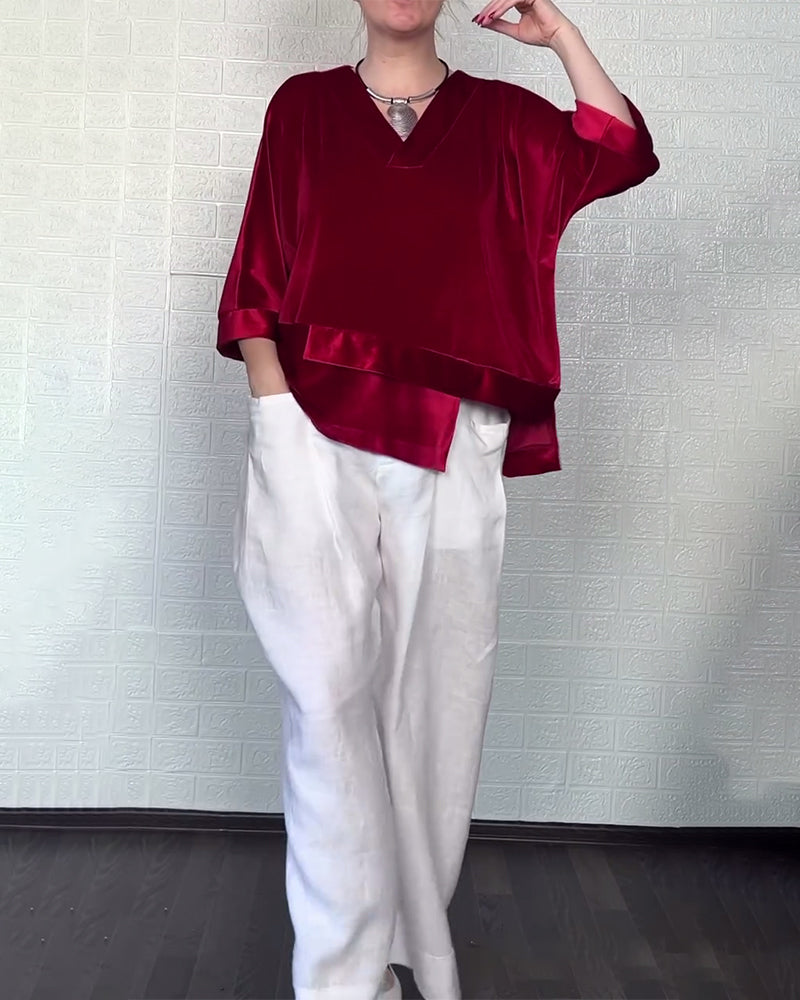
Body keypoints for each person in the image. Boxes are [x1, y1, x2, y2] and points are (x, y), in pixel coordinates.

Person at [216, 1, 660, 997]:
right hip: (313, 430)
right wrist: (276, 416)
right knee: (326, 698)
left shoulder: (501, 121)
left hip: (454, 440)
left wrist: (558, 36)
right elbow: (255, 278)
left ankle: (408, 945)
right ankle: (338, 977)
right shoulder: (304, 108)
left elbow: (618, 147)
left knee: (435, 707)